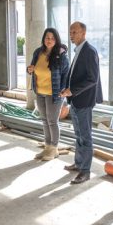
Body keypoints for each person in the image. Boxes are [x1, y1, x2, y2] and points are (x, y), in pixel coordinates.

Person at [60, 22, 103, 184]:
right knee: (78, 135)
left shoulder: (89, 51)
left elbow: (92, 79)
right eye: (70, 32)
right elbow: (75, 75)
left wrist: (72, 90)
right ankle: (78, 163)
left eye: (75, 32)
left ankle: (85, 171)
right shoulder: (79, 50)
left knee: (85, 136)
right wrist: (67, 89)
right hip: (76, 100)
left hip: (84, 100)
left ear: (83, 33)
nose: (71, 35)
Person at [28, 27, 70, 161]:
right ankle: (47, 147)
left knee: (52, 121)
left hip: (55, 94)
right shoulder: (38, 52)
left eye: (52, 38)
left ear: (56, 40)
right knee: (44, 120)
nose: (49, 40)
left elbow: (66, 75)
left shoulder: (61, 55)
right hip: (40, 92)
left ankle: (54, 149)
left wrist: (63, 91)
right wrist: (29, 70)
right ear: (44, 39)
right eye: (47, 38)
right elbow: (32, 68)